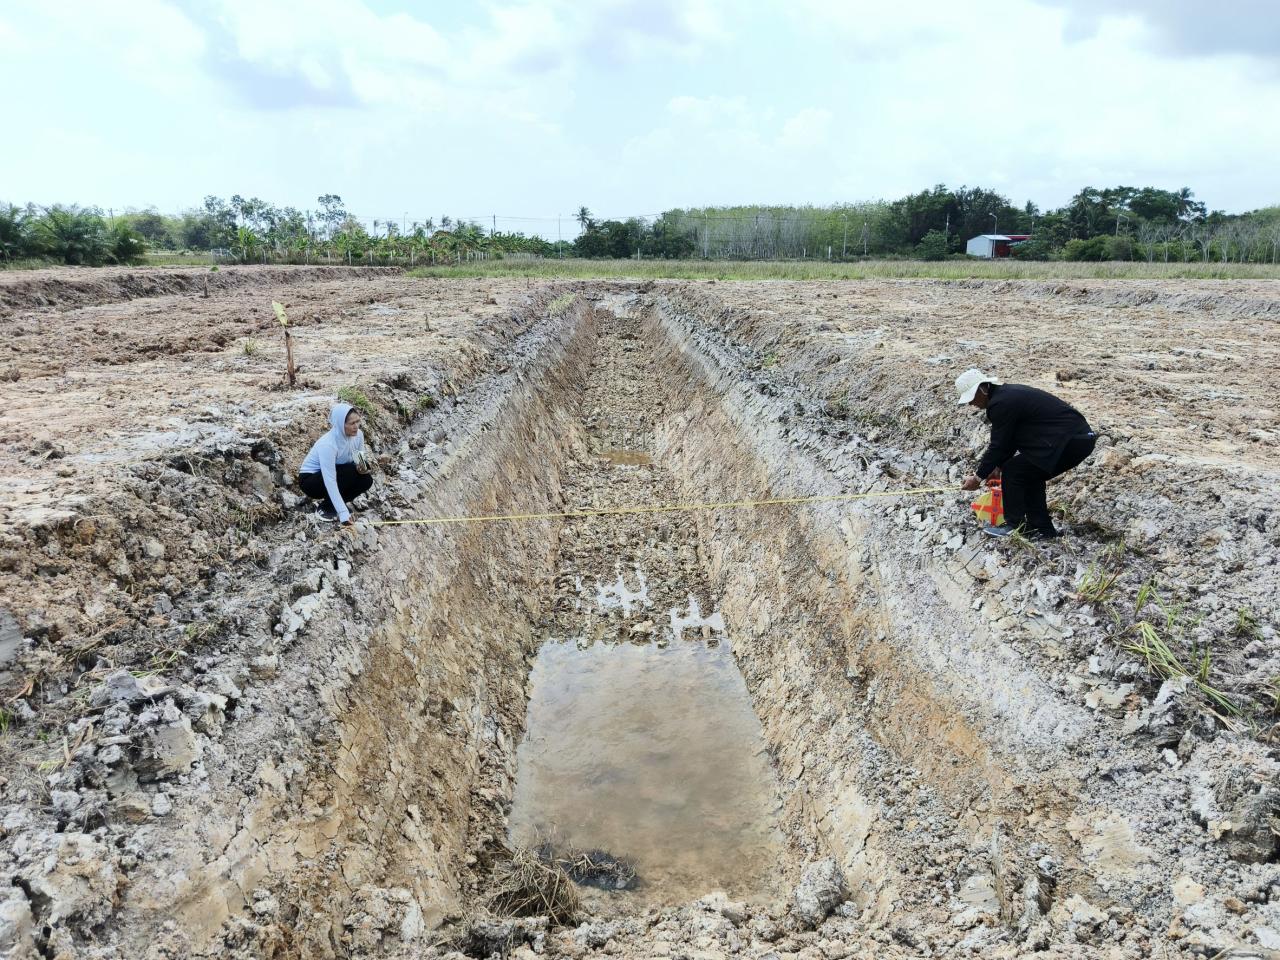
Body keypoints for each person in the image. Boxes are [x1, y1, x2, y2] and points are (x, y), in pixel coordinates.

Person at [955, 369, 1096, 541]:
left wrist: (977, 478)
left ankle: (1015, 525)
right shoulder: (1007, 397)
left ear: (982, 389)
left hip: (1070, 441)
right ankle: (1044, 530)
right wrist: (997, 466)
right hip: (1077, 440)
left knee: (1014, 471)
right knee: (1029, 474)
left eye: (971, 398)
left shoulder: (1000, 403)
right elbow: (1010, 442)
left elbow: (998, 446)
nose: (971, 404)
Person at [298, 402, 373, 525]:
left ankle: (336, 505)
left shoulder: (358, 435)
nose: (356, 426)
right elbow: (330, 480)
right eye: (352, 423)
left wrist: (364, 468)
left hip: (339, 472)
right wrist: (343, 513)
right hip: (310, 481)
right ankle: (325, 508)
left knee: (366, 480)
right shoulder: (328, 444)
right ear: (339, 424)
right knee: (350, 471)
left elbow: (359, 459)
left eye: (358, 421)